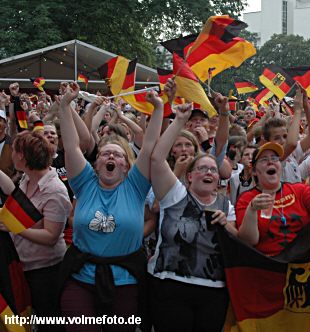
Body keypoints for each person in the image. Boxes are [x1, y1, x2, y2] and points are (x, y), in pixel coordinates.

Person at [57, 82, 163, 332]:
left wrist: (157, 108)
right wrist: (65, 104)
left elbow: (148, 147)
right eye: (106, 154)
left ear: (127, 166)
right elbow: (71, 147)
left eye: (118, 155)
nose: (112, 157)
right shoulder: (84, 183)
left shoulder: (136, 187)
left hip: (124, 282)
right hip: (80, 279)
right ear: (96, 163)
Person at [147, 88, 238, 332]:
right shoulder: (175, 194)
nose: (209, 172)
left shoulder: (225, 205)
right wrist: (178, 120)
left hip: (213, 290)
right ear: (189, 175)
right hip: (171, 285)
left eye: (212, 170)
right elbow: (156, 159)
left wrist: (226, 225)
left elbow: (241, 240)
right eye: (202, 169)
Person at [0, 130, 72, 331]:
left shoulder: (54, 190)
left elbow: (51, 236)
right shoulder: (27, 178)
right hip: (24, 266)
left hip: (45, 271)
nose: (11, 153)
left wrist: (16, 228)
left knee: (48, 321)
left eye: (13, 150)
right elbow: (14, 196)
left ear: (21, 155)